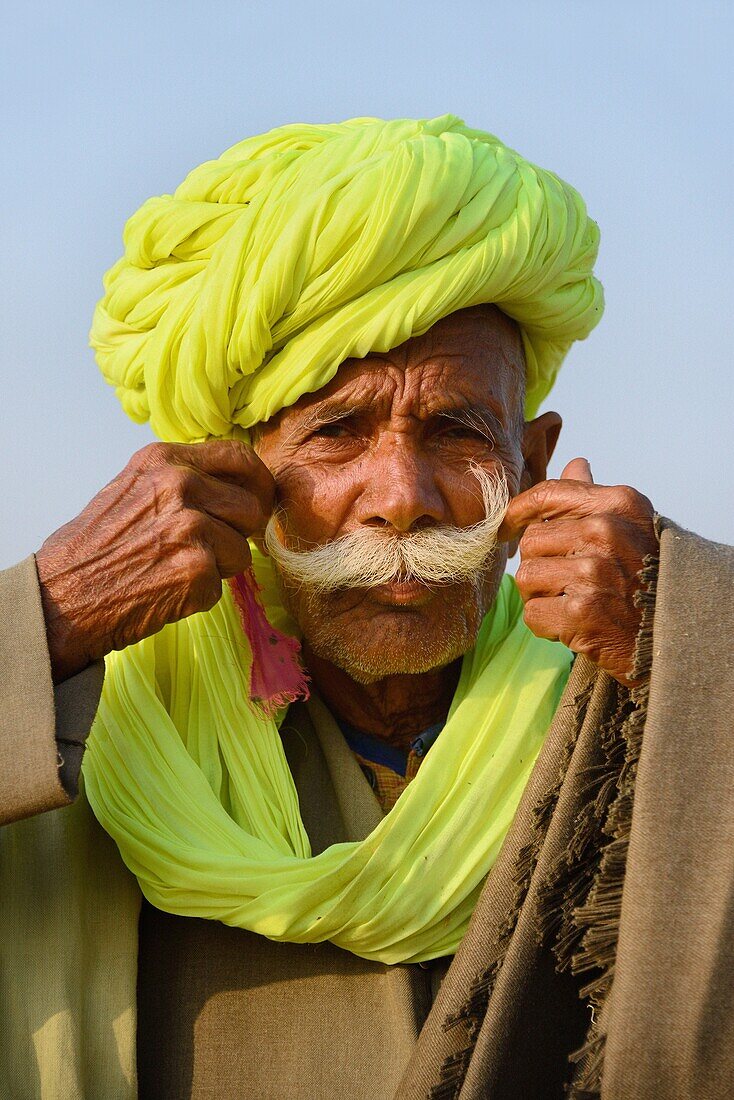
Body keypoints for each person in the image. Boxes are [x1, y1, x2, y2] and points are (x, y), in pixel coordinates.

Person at [0, 116, 731, 1100]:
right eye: (336, 431)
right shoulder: (91, 726)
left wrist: (691, 647)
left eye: (453, 430)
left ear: (534, 459)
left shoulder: (627, 691)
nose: (400, 494)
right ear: (230, 471)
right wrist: (44, 619)